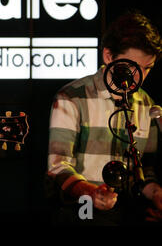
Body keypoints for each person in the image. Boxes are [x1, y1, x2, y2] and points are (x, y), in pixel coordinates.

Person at [46, 12, 162, 225]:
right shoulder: (72, 97)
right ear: (108, 56)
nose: (140, 77)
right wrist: (91, 192)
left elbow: (146, 170)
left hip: (128, 216)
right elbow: (58, 167)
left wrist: (155, 194)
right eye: (132, 67)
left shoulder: (147, 105)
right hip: (79, 214)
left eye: (147, 68)